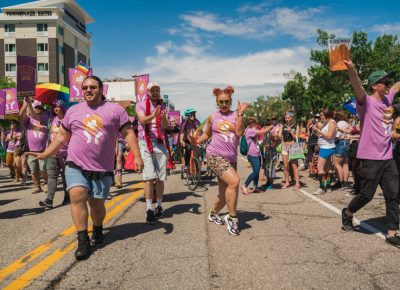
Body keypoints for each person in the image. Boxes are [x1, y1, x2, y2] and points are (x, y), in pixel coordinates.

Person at [26, 76, 143, 260]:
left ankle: (97, 228)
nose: (88, 90)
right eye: (85, 87)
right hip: (75, 164)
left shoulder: (115, 110)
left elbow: (128, 133)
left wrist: (137, 156)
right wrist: (45, 153)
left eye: (93, 87)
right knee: (77, 196)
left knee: (97, 206)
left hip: (101, 167)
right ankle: (82, 240)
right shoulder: (73, 111)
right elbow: (61, 136)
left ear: (101, 89)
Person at [341, 61, 400, 247]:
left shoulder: (387, 98)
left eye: (389, 81)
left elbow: (398, 86)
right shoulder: (366, 102)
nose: (389, 84)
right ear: (375, 85)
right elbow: (357, 86)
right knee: (366, 195)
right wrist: (351, 68)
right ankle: (348, 212)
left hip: (387, 157)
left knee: (393, 194)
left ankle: (392, 232)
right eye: (385, 82)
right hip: (370, 158)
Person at [190, 85, 248, 236]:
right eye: (220, 102)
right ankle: (233, 219)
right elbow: (207, 134)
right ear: (216, 102)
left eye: (226, 102)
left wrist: (240, 114)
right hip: (214, 155)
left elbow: (240, 132)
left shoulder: (237, 115)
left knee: (223, 196)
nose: (224, 105)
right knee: (234, 182)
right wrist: (195, 142)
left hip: (231, 158)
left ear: (231, 101)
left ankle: (213, 213)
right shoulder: (212, 117)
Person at [136, 81, 169, 224]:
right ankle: (149, 209)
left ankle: (159, 206)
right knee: (149, 177)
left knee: (160, 178)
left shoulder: (163, 107)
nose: (155, 92)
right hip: (145, 141)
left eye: (157, 90)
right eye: (152, 90)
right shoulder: (140, 105)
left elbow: (166, 126)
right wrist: (153, 115)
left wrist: (161, 116)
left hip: (160, 143)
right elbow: (142, 119)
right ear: (148, 92)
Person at [39, 100, 70, 209]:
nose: (56, 108)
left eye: (58, 106)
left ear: (62, 107)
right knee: (52, 175)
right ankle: (49, 200)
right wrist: (28, 103)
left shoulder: (69, 118)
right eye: (54, 107)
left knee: (66, 176)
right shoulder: (51, 119)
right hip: (53, 152)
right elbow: (34, 115)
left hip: (67, 153)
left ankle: (68, 197)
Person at [20, 98, 49, 194]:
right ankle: (37, 186)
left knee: (43, 168)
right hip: (31, 150)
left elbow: (35, 116)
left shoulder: (45, 117)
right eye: (36, 107)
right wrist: (25, 103)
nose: (37, 109)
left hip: (44, 150)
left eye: (39, 107)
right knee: (33, 170)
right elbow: (21, 115)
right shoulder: (28, 120)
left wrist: (29, 105)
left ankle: (46, 183)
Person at [241, 117, 272, 194]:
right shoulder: (249, 130)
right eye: (255, 123)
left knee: (257, 171)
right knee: (255, 171)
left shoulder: (250, 130)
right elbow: (263, 131)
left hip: (257, 153)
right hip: (252, 154)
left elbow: (259, 138)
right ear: (252, 124)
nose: (256, 125)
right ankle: (245, 185)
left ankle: (255, 187)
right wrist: (272, 126)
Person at [312, 109, 337, 194]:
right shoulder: (327, 122)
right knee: (328, 168)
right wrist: (316, 130)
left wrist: (319, 131)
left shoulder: (332, 122)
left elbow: (329, 136)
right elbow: (323, 135)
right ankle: (328, 186)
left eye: (322, 115)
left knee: (320, 167)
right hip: (324, 147)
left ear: (327, 114)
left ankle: (322, 188)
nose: (321, 117)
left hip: (327, 147)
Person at [278, 112, 301, 189]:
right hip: (285, 146)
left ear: (292, 117)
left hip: (293, 146)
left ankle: (297, 183)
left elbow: (296, 138)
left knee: (294, 165)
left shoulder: (296, 126)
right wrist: (277, 133)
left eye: (288, 117)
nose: (287, 119)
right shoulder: (282, 126)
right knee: (285, 166)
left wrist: (291, 131)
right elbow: (279, 136)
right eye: (286, 118)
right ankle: (287, 182)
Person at [332, 111, 351, 190]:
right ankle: (345, 182)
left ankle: (340, 182)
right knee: (345, 163)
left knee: (337, 163)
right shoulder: (346, 123)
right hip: (346, 142)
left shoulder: (339, 123)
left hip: (340, 142)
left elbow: (337, 135)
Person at [180, 108, 201, 172]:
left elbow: (199, 131)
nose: (193, 116)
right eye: (191, 114)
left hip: (194, 140)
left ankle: (197, 166)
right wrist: (181, 140)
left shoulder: (196, 121)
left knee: (197, 151)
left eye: (194, 114)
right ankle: (186, 164)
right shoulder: (184, 122)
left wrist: (201, 141)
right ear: (187, 115)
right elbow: (182, 132)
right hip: (186, 140)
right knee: (188, 148)